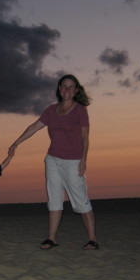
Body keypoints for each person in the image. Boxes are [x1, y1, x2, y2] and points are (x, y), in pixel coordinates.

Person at [9, 74, 98, 250]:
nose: (67, 90)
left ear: (76, 90)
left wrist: (83, 160)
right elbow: (34, 126)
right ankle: (51, 238)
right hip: (53, 160)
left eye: (71, 87)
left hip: (73, 161)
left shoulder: (80, 110)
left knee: (80, 199)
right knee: (54, 198)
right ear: (59, 89)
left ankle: (92, 239)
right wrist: (16, 143)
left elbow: (85, 138)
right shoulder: (51, 110)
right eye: (64, 86)